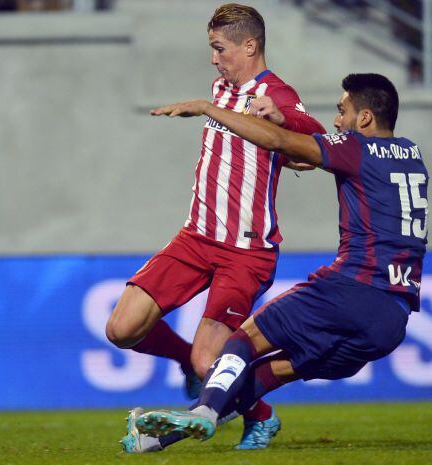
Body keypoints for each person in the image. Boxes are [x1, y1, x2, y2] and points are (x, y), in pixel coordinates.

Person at [134, 73, 426, 447]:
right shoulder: (413, 156)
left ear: (365, 118)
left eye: (342, 111)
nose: (337, 121)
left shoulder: (357, 148)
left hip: (352, 289)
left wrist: (210, 109)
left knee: (244, 339)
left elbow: (277, 141)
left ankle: (204, 412)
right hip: (392, 319)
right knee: (275, 371)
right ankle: (159, 440)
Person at [107, 3, 325, 452]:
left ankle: (261, 417)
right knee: (121, 329)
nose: (213, 58)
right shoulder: (222, 88)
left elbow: (317, 139)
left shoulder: (276, 94)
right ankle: (184, 362)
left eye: (219, 48)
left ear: (250, 46)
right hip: (195, 238)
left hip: (245, 252)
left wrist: (288, 124)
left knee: (211, 361)